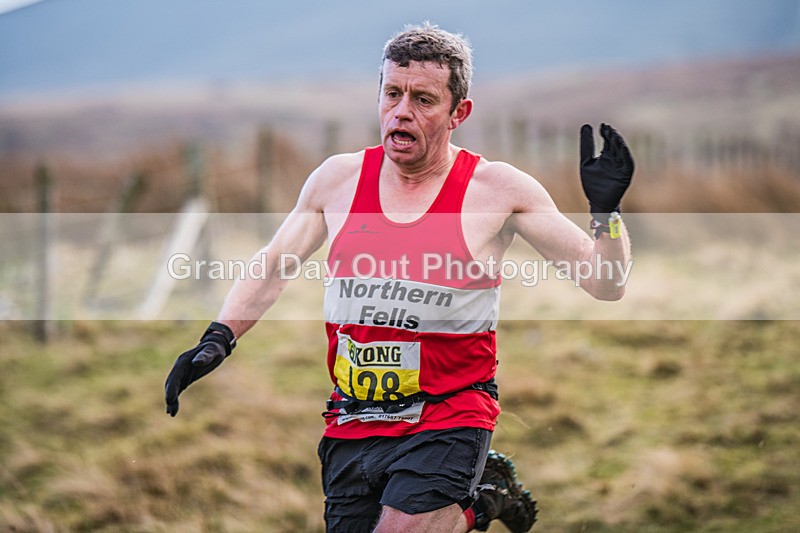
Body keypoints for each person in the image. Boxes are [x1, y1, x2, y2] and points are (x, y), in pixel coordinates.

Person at [165, 23, 633, 533]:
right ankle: (486, 501)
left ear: (459, 113)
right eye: (392, 93)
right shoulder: (336, 180)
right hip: (353, 416)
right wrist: (218, 339)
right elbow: (276, 262)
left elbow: (604, 283)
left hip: (450, 412)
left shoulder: (499, 191)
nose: (401, 111)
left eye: (424, 99)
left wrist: (605, 213)